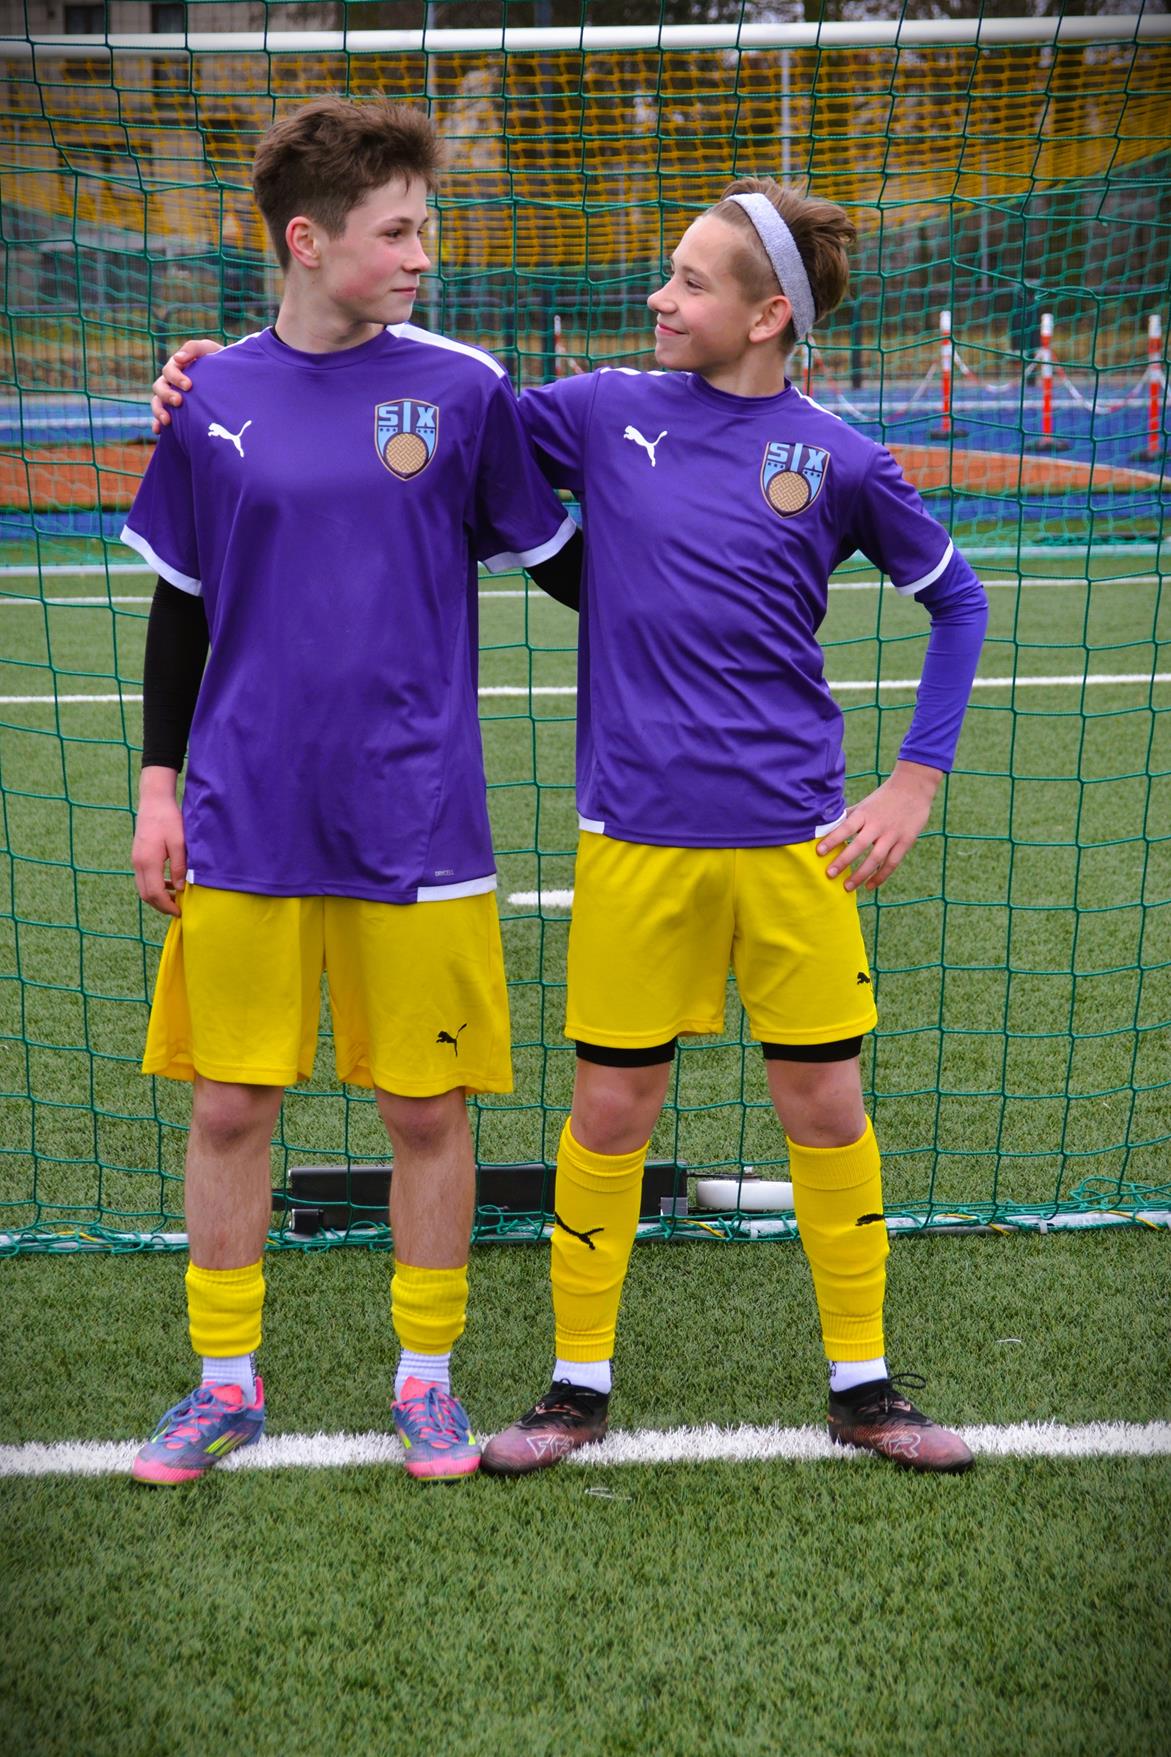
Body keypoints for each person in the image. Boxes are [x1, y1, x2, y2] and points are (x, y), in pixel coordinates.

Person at [152, 178, 988, 1478]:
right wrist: (219, 379)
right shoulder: (596, 411)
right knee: (608, 1107)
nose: (660, 295)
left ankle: (866, 1384)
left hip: (796, 841)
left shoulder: (839, 456)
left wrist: (913, 782)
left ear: (769, 315)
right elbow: (426, 408)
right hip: (634, 836)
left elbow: (959, 600)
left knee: (827, 1104)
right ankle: (573, 1389)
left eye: (691, 281)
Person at [124, 96, 579, 1487]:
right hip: (244, 813)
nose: (421, 255)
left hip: (418, 818)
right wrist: (156, 790)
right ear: (308, 242)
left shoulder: (463, 389)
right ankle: (224, 1383)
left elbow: (567, 564)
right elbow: (180, 609)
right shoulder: (211, 399)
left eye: (426, 229)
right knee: (227, 1106)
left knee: (426, 1111)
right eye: (395, 232)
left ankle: (427, 1381)